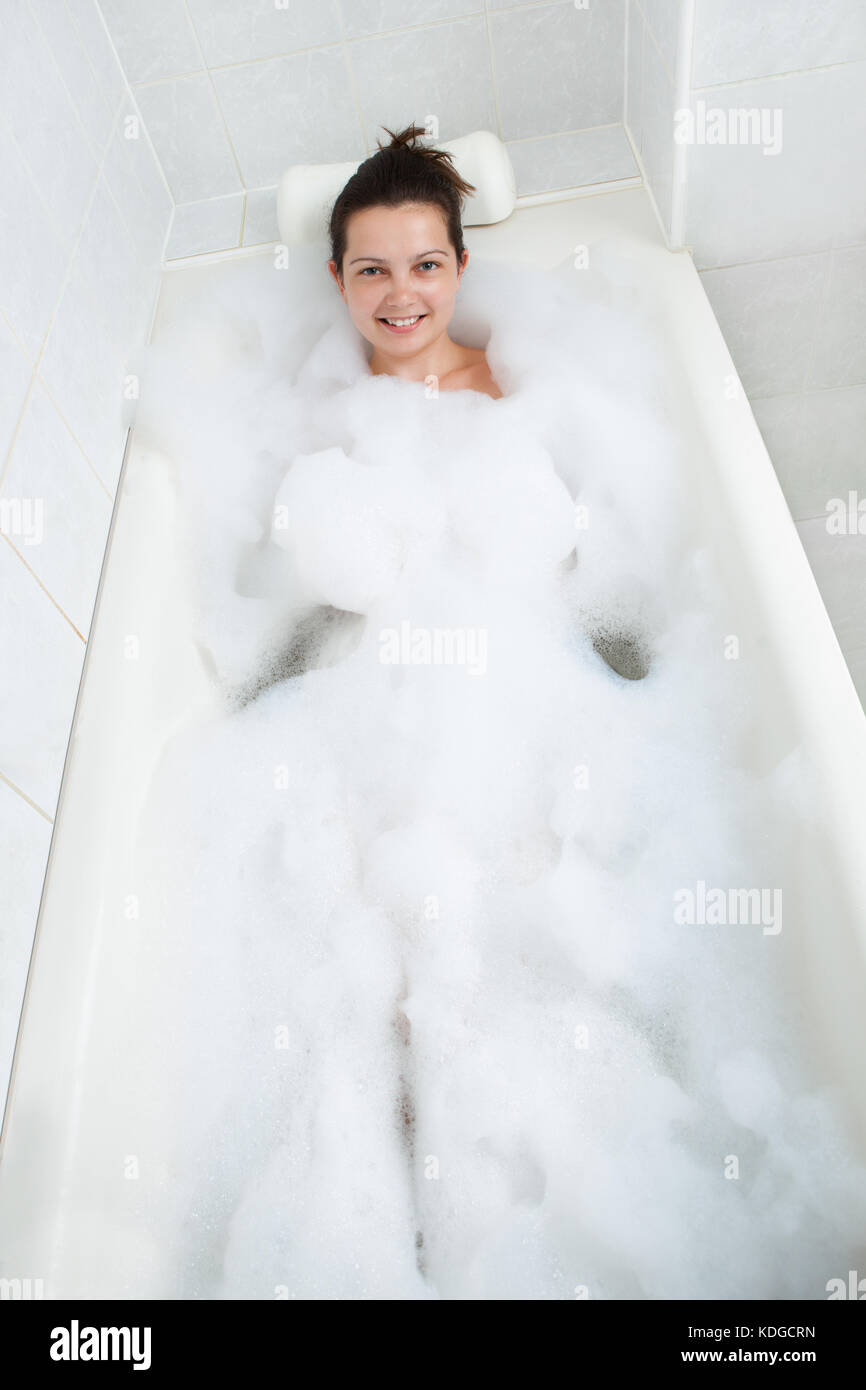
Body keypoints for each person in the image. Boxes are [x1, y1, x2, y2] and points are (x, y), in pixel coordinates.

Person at [327, 124, 503, 401]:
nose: (401, 297)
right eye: (372, 270)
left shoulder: (514, 385)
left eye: (426, 266)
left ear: (460, 267)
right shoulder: (321, 414)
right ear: (340, 281)